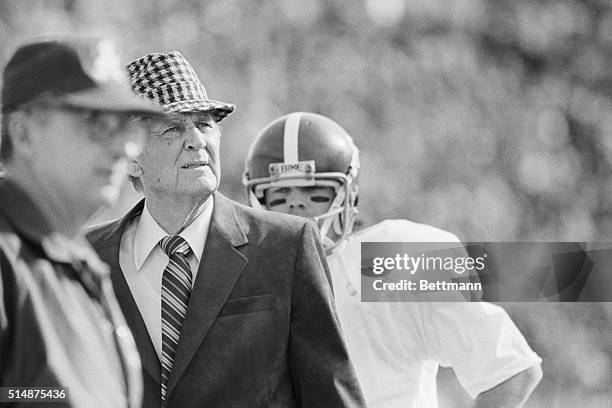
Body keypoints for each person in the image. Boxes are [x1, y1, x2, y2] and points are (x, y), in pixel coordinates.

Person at [87, 52, 366, 408]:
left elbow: (331, 397)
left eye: (204, 125)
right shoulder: (85, 258)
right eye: (173, 128)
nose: (197, 141)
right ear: (131, 158)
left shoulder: (287, 247)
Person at [243, 111, 544, 408]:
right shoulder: (244, 276)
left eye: (313, 190)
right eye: (280, 193)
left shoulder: (390, 262)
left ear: (348, 196)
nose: (296, 205)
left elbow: (511, 371)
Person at [0, 38, 163, 407]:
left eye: (127, 128)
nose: (123, 148)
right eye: (98, 124)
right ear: (24, 133)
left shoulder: (80, 261)